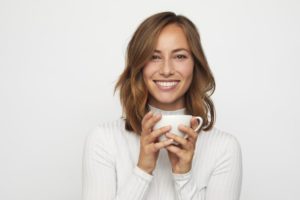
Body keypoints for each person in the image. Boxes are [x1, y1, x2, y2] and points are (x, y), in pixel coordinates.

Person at [82, 11, 242, 200]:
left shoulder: (224, 148)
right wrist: (143, 171)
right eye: (154, 57)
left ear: (195, 65)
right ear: (139, 65)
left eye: (180, 56)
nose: (166, 70)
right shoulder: (104, 140)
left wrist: (183, 177)